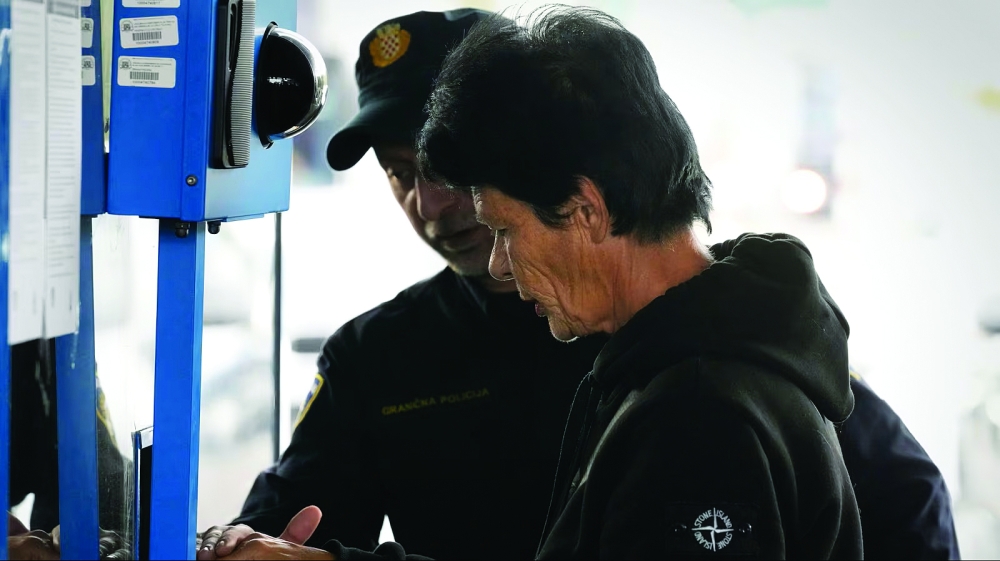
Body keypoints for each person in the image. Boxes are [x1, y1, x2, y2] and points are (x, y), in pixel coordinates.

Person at [200, 6, 959, 561]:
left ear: (582, 205)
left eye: (492, 213)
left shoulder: (707, 390)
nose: (429, 205)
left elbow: (905, 497)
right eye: (400, 173)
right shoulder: (391, 354)